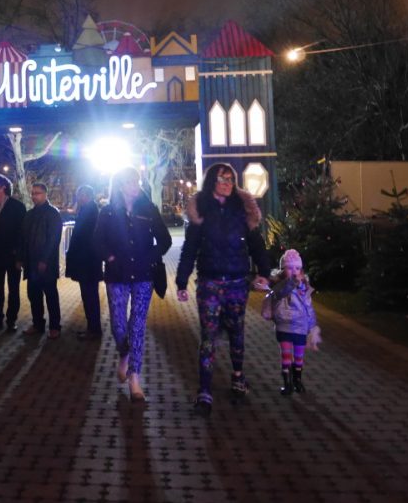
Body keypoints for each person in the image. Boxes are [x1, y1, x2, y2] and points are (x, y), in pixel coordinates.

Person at [176, 162, 270, 417]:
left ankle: (238, 377)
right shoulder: (201, 210)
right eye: (222, 179)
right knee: (208, 337)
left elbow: (256, 244)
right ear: (212, 182)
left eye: (230, 179)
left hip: (237, 282)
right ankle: (204, 391)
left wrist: (264, 271)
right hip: (210, 282)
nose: (227, 184)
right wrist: (181, 282)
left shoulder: (242, 209)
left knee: (237, 331)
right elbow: (189, 248)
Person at [93, 166, 172, 401]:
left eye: (137, 181)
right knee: (118, 323)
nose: (135, 186)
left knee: (137, 324)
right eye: (130, 182)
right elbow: (97, 241)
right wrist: (110, 257)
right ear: (120, 185)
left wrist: (151, 256)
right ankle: (125, 354)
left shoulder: (149, 210)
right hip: (117, 275)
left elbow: (165, 239)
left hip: (143, 275)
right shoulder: (107, 212)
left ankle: (135, 377)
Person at [263, 249, 320, 395]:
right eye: (289, 267)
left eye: (297, 268)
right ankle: (287, 383)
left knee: (299, 357)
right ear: (283, 270)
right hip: (284, 326)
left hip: (300, 327)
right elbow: (282, 292)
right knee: (286, 356)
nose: (294, 271)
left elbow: (309, 307)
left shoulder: (305, 287)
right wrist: (293, 282)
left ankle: (297, 380)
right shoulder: (280, 285)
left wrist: (312, 327)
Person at [0, 173, 27, 332]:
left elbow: (23, 234)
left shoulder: (18, 207)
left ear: (3, 188)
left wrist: (20, 256)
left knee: (13, 290)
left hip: (13, 257)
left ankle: (11, 321)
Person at [21, 182, 64, 338]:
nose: (34, 196)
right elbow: (24, 238)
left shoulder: (53, 214)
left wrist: (44, 260)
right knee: (34, 295)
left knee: (51, 295)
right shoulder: (30, 214)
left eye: (37, 193)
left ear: (45, 194)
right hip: (31, 263)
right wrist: (22, 258)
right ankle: (38, 324)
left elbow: (54, 240)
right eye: (33, 193)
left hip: (46, 263)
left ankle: (55, 326)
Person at [65, 185, 102, 340]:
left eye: (78, 195)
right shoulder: (90, 210)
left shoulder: (89, 211)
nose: (77, 198)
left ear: (85, 196)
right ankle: (93, 327)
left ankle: (93, 329)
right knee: (89, 295)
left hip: (87, 262)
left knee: (89, 296)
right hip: (88, 262)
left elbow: (83, 237)